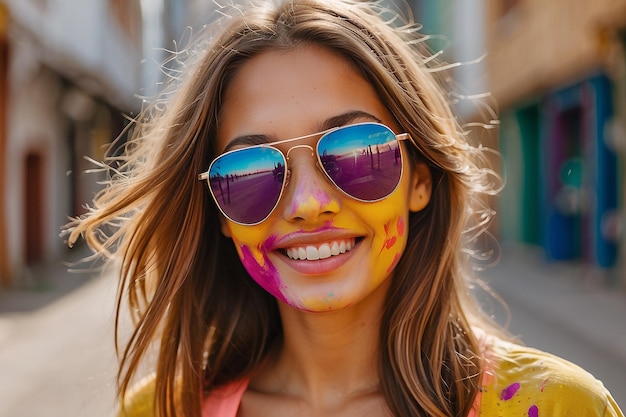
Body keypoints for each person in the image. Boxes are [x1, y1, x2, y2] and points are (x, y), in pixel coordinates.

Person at [65, 1, 624, 416]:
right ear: (219, 213)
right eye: (251, 173)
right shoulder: (162, 409)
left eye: (357, 152)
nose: (308, 204)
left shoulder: (559, 407)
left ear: (419, 181)